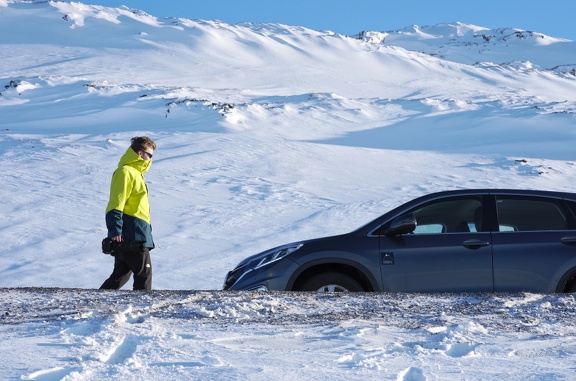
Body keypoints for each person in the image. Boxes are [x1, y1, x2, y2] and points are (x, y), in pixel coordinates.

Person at [100, 136, 156, 290]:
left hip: (134, 232)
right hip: (133, 234)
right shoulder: (126, 172)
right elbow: (115, 203)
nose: (151, 159)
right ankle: (141, 311)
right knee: (144, 274)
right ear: (140, 153)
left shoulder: (136, 174)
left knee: (120, 275)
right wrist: (114, 229)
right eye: (149, 155)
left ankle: (94, 303)